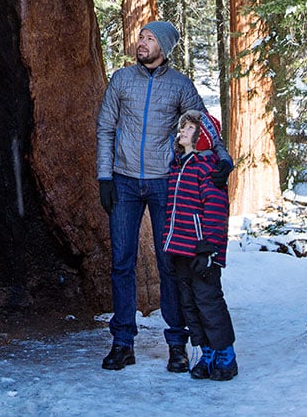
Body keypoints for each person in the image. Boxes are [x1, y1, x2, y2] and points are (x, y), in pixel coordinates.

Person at [95, 20, 232, 373]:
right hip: (123, 181)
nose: (142, 42)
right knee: (121, 263)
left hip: (164, 183)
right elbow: (105, 127)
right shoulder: (121, 80)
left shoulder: (179, 86)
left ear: (164, 47)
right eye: (141, 36)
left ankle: (177, 345)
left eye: (150, 38)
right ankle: (123, 342)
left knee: (169, 263)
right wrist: (105, 176)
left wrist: (223, 158)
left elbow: (203, 124)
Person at [163, 109, 238, 380]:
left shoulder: (208, 168)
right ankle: (206, 353)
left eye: (190, 128)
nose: (183, 131)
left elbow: (216, 210)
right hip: (181, 250)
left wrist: (209, 248)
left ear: (204, 136)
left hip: (202, 251)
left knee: (209, 302)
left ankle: (225, 356)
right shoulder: (178, 165)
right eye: (182, 127)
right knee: (190, 305)